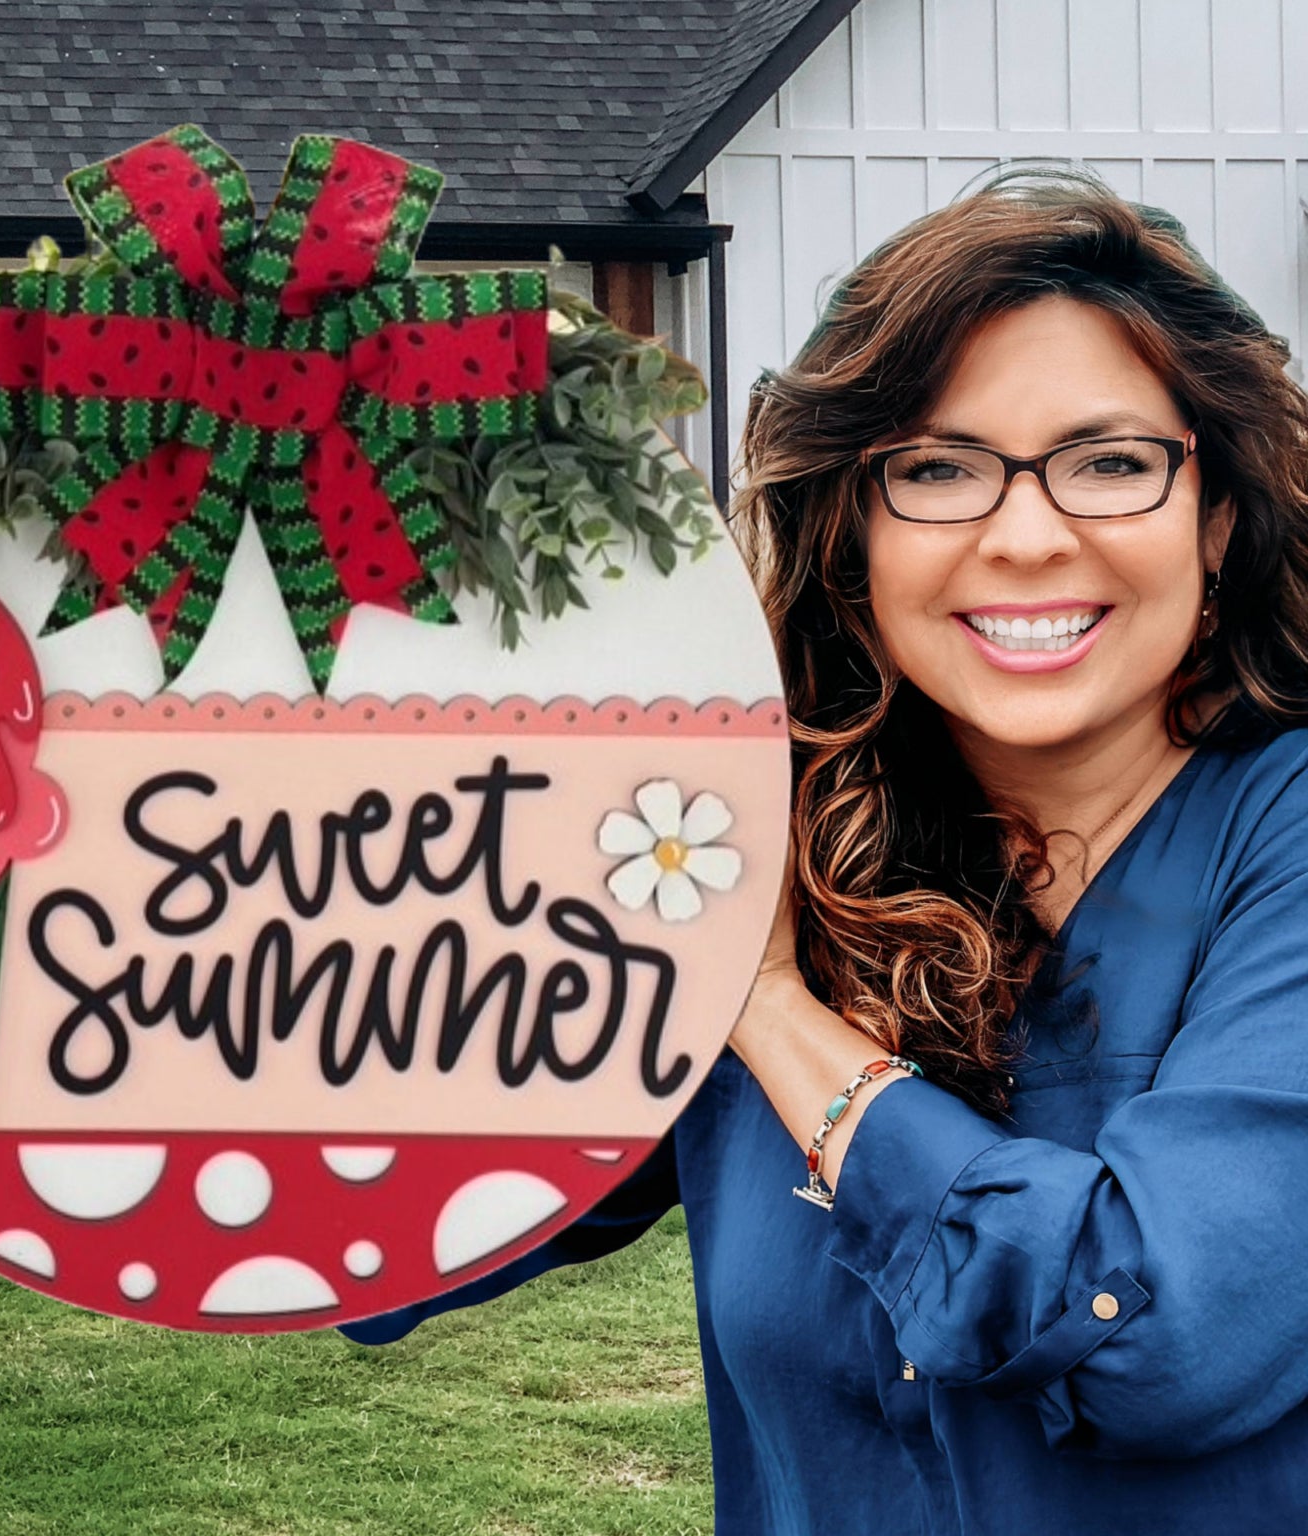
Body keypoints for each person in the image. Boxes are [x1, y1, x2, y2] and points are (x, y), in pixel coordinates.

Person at [341, 167, 1308, 1534]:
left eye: (1109, 461)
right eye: (936, 469)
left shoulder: (1281, 840)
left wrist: (772, 1015)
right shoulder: (747, 837)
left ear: (1215, 519)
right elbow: (396, 1222)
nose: (1026, 537)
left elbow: (1155, 1336)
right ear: (852, 531)